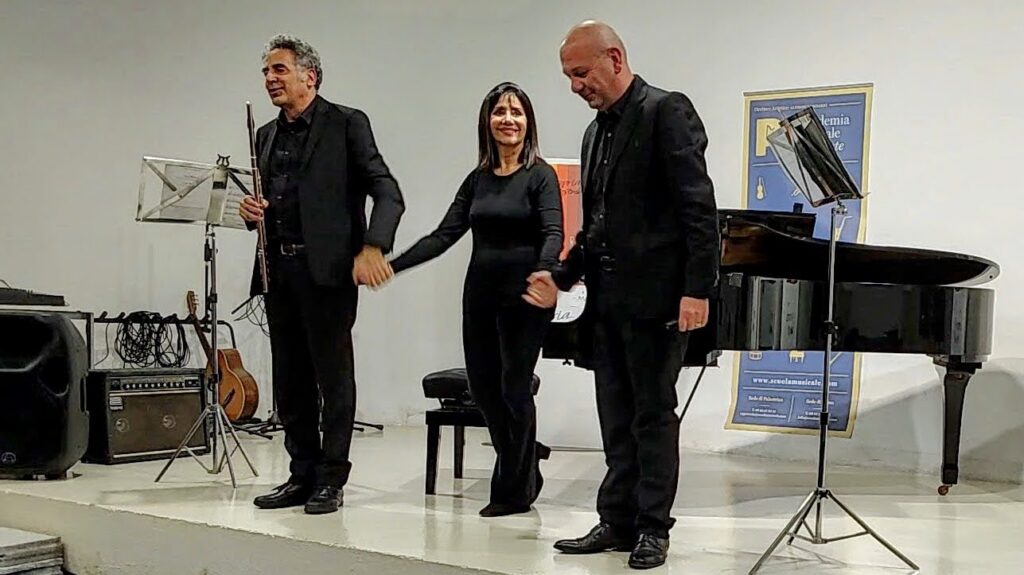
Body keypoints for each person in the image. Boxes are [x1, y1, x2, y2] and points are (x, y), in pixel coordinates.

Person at [534, 21, 720, 569]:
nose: (575, 86)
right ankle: (616, 520)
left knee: (652, 415)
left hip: (659, 300)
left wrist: (697, 289)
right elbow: (595, 226)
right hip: (607, 302)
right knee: (615, 414)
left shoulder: (667, 111)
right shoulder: (594, 134)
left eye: (581, 73)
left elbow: (698, 210)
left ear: (614, 59)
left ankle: (653, 528)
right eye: (568, 77)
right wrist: (561, 276)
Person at [238, 34, 404, 515]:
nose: (270, 79)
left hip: (327, 273)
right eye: (266, 72)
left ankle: (331, 479)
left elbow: (388, 192)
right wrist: (251, 212)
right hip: (278, 272)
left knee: (333, 378)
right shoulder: (264, 136)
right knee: (289, 380)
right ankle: (301, 474)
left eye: (279, 70)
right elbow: (269, 203)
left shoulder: (347, 124)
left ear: (309, 76)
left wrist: (373, 245)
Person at [387, 82, 563, 517]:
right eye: (500, 111)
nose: (508, 119)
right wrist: (393, 265)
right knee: (484, 390)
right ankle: (525, 461)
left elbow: (553, 231)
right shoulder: (477, 180)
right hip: (480, 296)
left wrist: (545, 271)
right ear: (487, 121)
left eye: (516, 112)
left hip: (526, 297)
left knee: (513, 388)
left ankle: (513, 491)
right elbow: (444, 235)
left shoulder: (540, 176)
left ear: (528, 122)